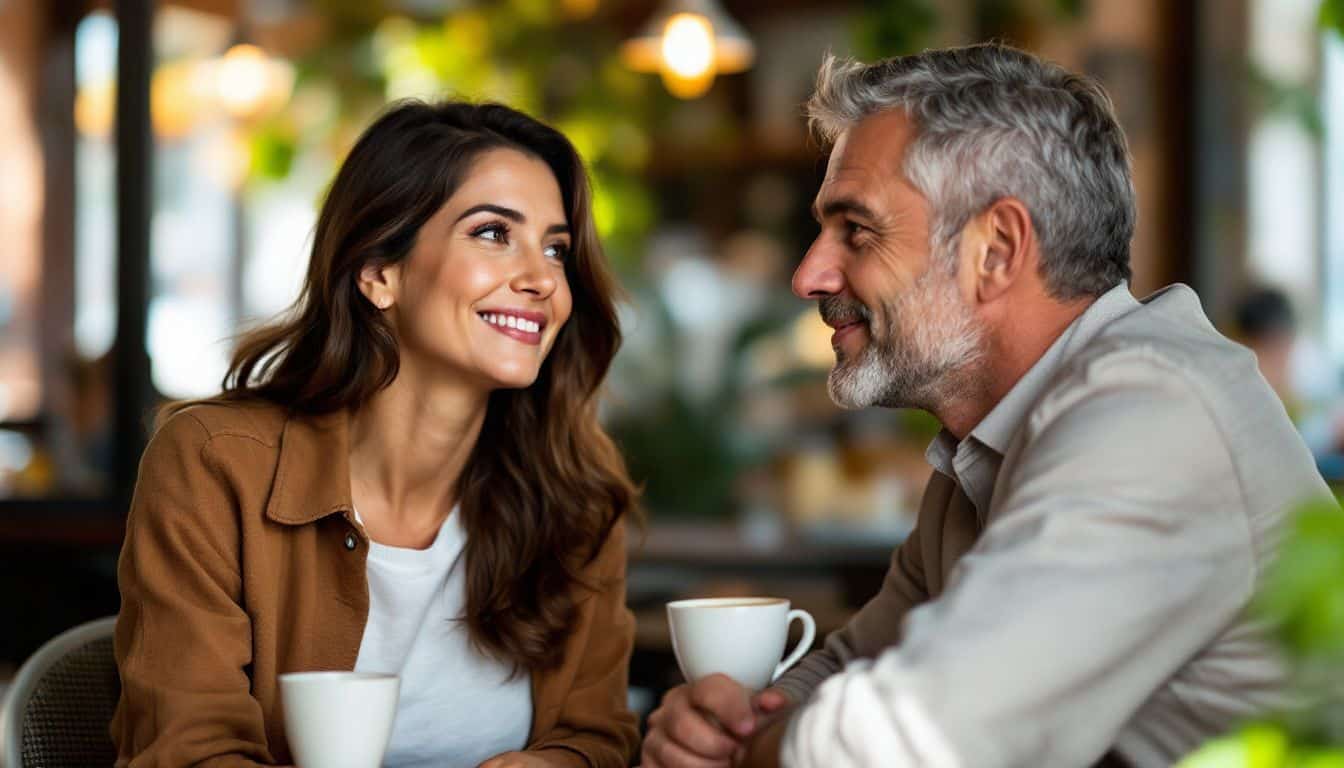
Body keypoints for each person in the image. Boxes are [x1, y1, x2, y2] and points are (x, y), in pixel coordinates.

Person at [642, 43, 1333, 768]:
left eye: (856, 230)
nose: (809, 273)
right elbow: (856, 669)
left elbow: (912, 737)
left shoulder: (1155, 416)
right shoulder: (982, 453)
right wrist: (727, 728)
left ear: (997, 251)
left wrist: (748, 751)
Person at [112, 100, 640, 768]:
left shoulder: (575, 496)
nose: (542, 280)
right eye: (492, 233)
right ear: (378, 272)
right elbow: (187, 751)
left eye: (556, 248)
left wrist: (551, 763)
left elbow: (597, 735)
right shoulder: (215, 465)